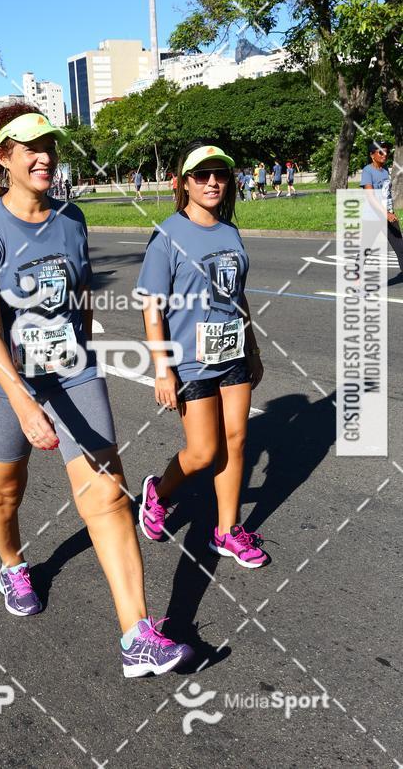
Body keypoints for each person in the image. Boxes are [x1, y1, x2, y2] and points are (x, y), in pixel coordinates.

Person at [0, 104, 193, 677]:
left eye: (50, 146)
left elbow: (80, 296)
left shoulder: (72, 218)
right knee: (2, 495)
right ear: (4, 157)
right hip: (1, 386)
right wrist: (22, 400)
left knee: (110, 497)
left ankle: (137, 634)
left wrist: (82, 355)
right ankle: (13, 562)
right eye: (30, 147)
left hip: (73, 372)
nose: (44, 157)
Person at [135, 141, 269, 569]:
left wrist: (253, 348)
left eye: (221, 174)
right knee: (202, 452)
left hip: (231, 353)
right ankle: (159, 492)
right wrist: (162, 368)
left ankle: (227, 531)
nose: (213, 182)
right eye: (202, 175)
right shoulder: (167, 235)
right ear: (184, 183)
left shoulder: (230, 231)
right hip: (190, 359)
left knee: (237, 441)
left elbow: (237, 296)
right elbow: (151, 304)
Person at [361, 141, 403, 282]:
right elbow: (370, 197)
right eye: (381, 152)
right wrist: (386, 213)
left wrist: (391, 211)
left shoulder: (385, 170)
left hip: (388, 215)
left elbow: (386, 195)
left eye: (386, 152)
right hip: (373, 217)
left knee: (400, 247)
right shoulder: (367, 171)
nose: (384, 155)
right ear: (372, 155)